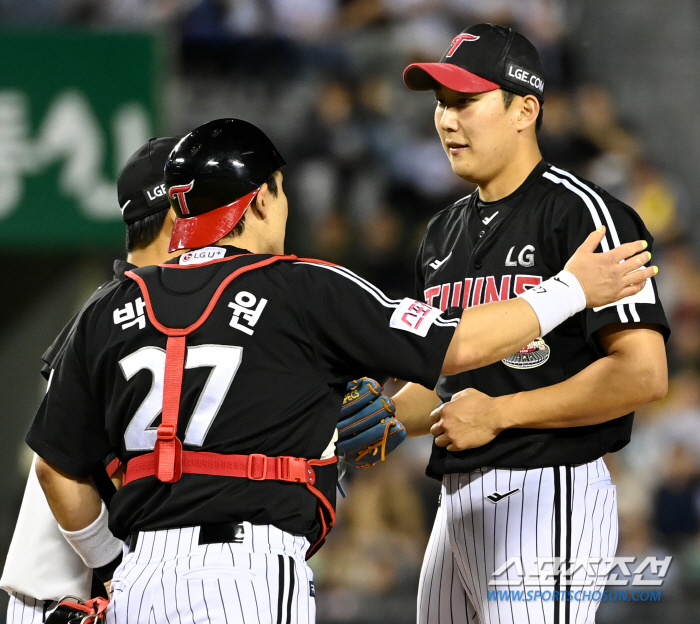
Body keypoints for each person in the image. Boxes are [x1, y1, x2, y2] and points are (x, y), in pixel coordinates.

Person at [26, 118, 652, 624]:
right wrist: (569, 289)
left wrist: (110, 560)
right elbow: (459, 345)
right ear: (262, 197)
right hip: (244, 573)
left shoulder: (106, 307)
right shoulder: (301, 288)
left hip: (138, 579)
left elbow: (56, 469)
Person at [395, 23, 670, 624]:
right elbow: (442, 385)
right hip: (456, 498)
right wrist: (381, 420)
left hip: (550, 487)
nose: (445, 120)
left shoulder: (587, 214)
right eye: (441, 104)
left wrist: (501, 413)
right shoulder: (440, 233)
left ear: (525, 109)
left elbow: (644, 374)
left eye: (465, 101)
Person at [0, 137, 181, 624]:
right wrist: (116, 568)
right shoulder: (119, 318)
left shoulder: (128, 311)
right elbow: (55, 469)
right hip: (66, 601)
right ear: (174, 215)